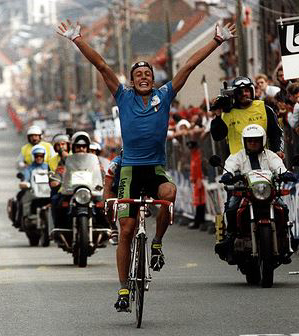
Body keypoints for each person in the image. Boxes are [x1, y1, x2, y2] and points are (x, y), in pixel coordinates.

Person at [57, 17, 236, 312]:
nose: (143, 77)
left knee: (169, 193)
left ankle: (156, 243)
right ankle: (125, 290)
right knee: (126, 229)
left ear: (153, 78)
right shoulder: (123, 96)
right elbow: (101, 65)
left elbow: (188, 66)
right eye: (138, 73)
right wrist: (77, 39)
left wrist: (217, 40)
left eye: (147, 73)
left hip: (154, 168)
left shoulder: (164, 96)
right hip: (129, 170)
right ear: (131, 79)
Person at [215, 124, 294, 263]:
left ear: (262, 140)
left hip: (267, 192)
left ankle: (286, 239)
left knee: (283, 209)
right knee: (232, 209)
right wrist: (227, 175)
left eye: (256, 140)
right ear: (244, 141)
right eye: (250, 140)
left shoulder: (270, 155)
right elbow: (230, 166)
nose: (253, 143)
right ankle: (230, 239)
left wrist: (286, 173)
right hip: (246, 192)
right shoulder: (237, 156)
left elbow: (279, 166)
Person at [210, 76, 284, 158]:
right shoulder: (227, 113)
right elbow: (217, 136)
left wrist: (277, 151)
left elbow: (276, 133)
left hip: (263, 159)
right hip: (237, 163)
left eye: (247, 91)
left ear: (252, 91)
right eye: (240, 92)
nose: (244, 94)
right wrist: (218, 115)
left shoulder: (264, 109)